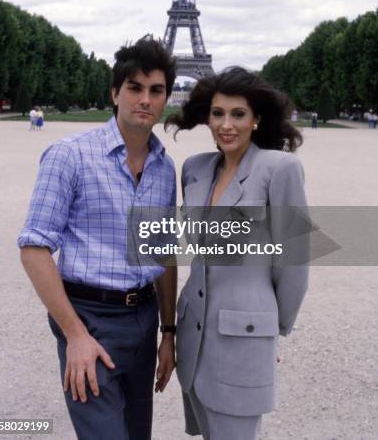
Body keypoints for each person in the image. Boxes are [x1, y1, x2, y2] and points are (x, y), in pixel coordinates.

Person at [18, 37, 178, 440]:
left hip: (144, 320)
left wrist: (168, 333)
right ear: (115, 93)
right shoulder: (69, 155)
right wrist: (74, 334)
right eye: (134, 88)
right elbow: (34, 248)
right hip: (90, 319)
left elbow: (162, 255)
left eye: (156, 90)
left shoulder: (164, 168)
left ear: (166, 99)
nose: (145, 99)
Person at [166, 67, 309, 440]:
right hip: (193, 335)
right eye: (217, 114)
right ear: (206, 117)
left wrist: (270, 332)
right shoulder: (194, 169)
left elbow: (294, 261)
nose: (226, 125)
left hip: (244, 337)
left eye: (238, 114)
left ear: (257, 119)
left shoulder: (280, 168)